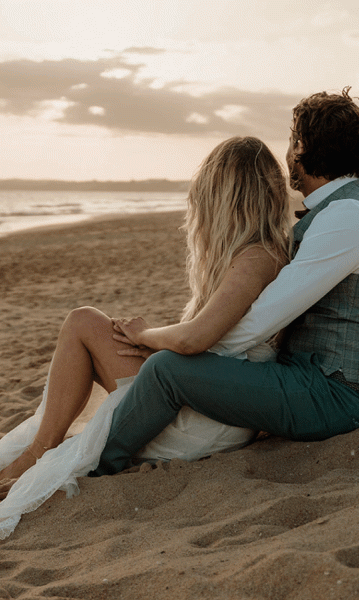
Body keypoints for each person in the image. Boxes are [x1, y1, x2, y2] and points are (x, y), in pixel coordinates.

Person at [88, 87, 359, 477]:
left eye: (290, 140)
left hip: (337, 396)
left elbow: (259, 322)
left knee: (166, 370)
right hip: (323, 382)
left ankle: (99, 467)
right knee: (171, 365)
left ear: (300, 146)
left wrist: (183, 347)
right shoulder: (351, 211)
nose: (287, 153)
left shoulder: (348, 218)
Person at [0, 136, 291, 537]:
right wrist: (149, 340)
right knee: (93, 328)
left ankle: (40, 451)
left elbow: (194, 341)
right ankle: (43, 444)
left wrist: (147, 334)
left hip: (207, 414)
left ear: (225, 197)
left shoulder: (258, 257)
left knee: (83, 321)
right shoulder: (258, 254)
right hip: (207, 394)